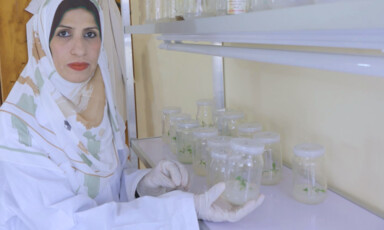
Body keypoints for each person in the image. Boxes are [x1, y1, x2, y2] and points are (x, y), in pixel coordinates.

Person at [0, 0, 264, 229]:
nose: (79, 48)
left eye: (90, 34)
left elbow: (106, 186)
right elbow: (73, 223)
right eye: (64, 33)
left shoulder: (97, 105)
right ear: (42, 41)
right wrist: (185, 208)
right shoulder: (16, 128)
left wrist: (142, 184)